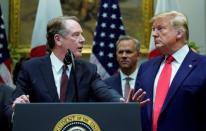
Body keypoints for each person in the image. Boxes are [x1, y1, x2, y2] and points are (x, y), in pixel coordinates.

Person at [10, 16, 148, 109]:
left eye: (81, 34)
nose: (82, 39)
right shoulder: (31, 68)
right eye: (76, 35)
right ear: (58, 39)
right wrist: (17, 105)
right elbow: (13, 105)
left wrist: (123, 103)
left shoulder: (88, 69)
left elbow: (105, 91)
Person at [137, 11, 206, 131]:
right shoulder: (146, 68)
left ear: (179, 33)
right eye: (153, 29)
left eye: (160, 28)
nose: (154, 34)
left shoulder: (202, 66)